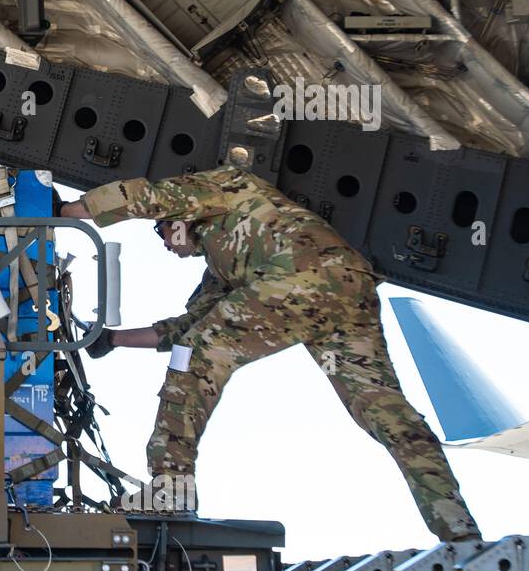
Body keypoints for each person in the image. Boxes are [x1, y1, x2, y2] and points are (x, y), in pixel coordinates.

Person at [60, 165, 481, 542]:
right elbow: (184, 328)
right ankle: (457, 527)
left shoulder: (225, 186)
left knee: (195, 355)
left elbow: (145, 197)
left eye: (163, 233)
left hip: (303, 276)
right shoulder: (228, 266)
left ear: (179, 220)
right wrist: (113, 340)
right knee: (382, 408)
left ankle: (170, 489)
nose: (167, 246)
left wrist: (67, 212)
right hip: (349, 288)